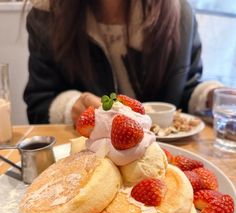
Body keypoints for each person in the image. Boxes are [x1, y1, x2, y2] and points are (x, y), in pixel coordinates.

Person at [24, 0, 223, 125]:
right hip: (88, 158)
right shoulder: (48, 14)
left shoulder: (180, 14)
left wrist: (212, 97)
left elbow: (184, 91)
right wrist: (72, 107)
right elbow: (39, 104)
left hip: (164, 157)